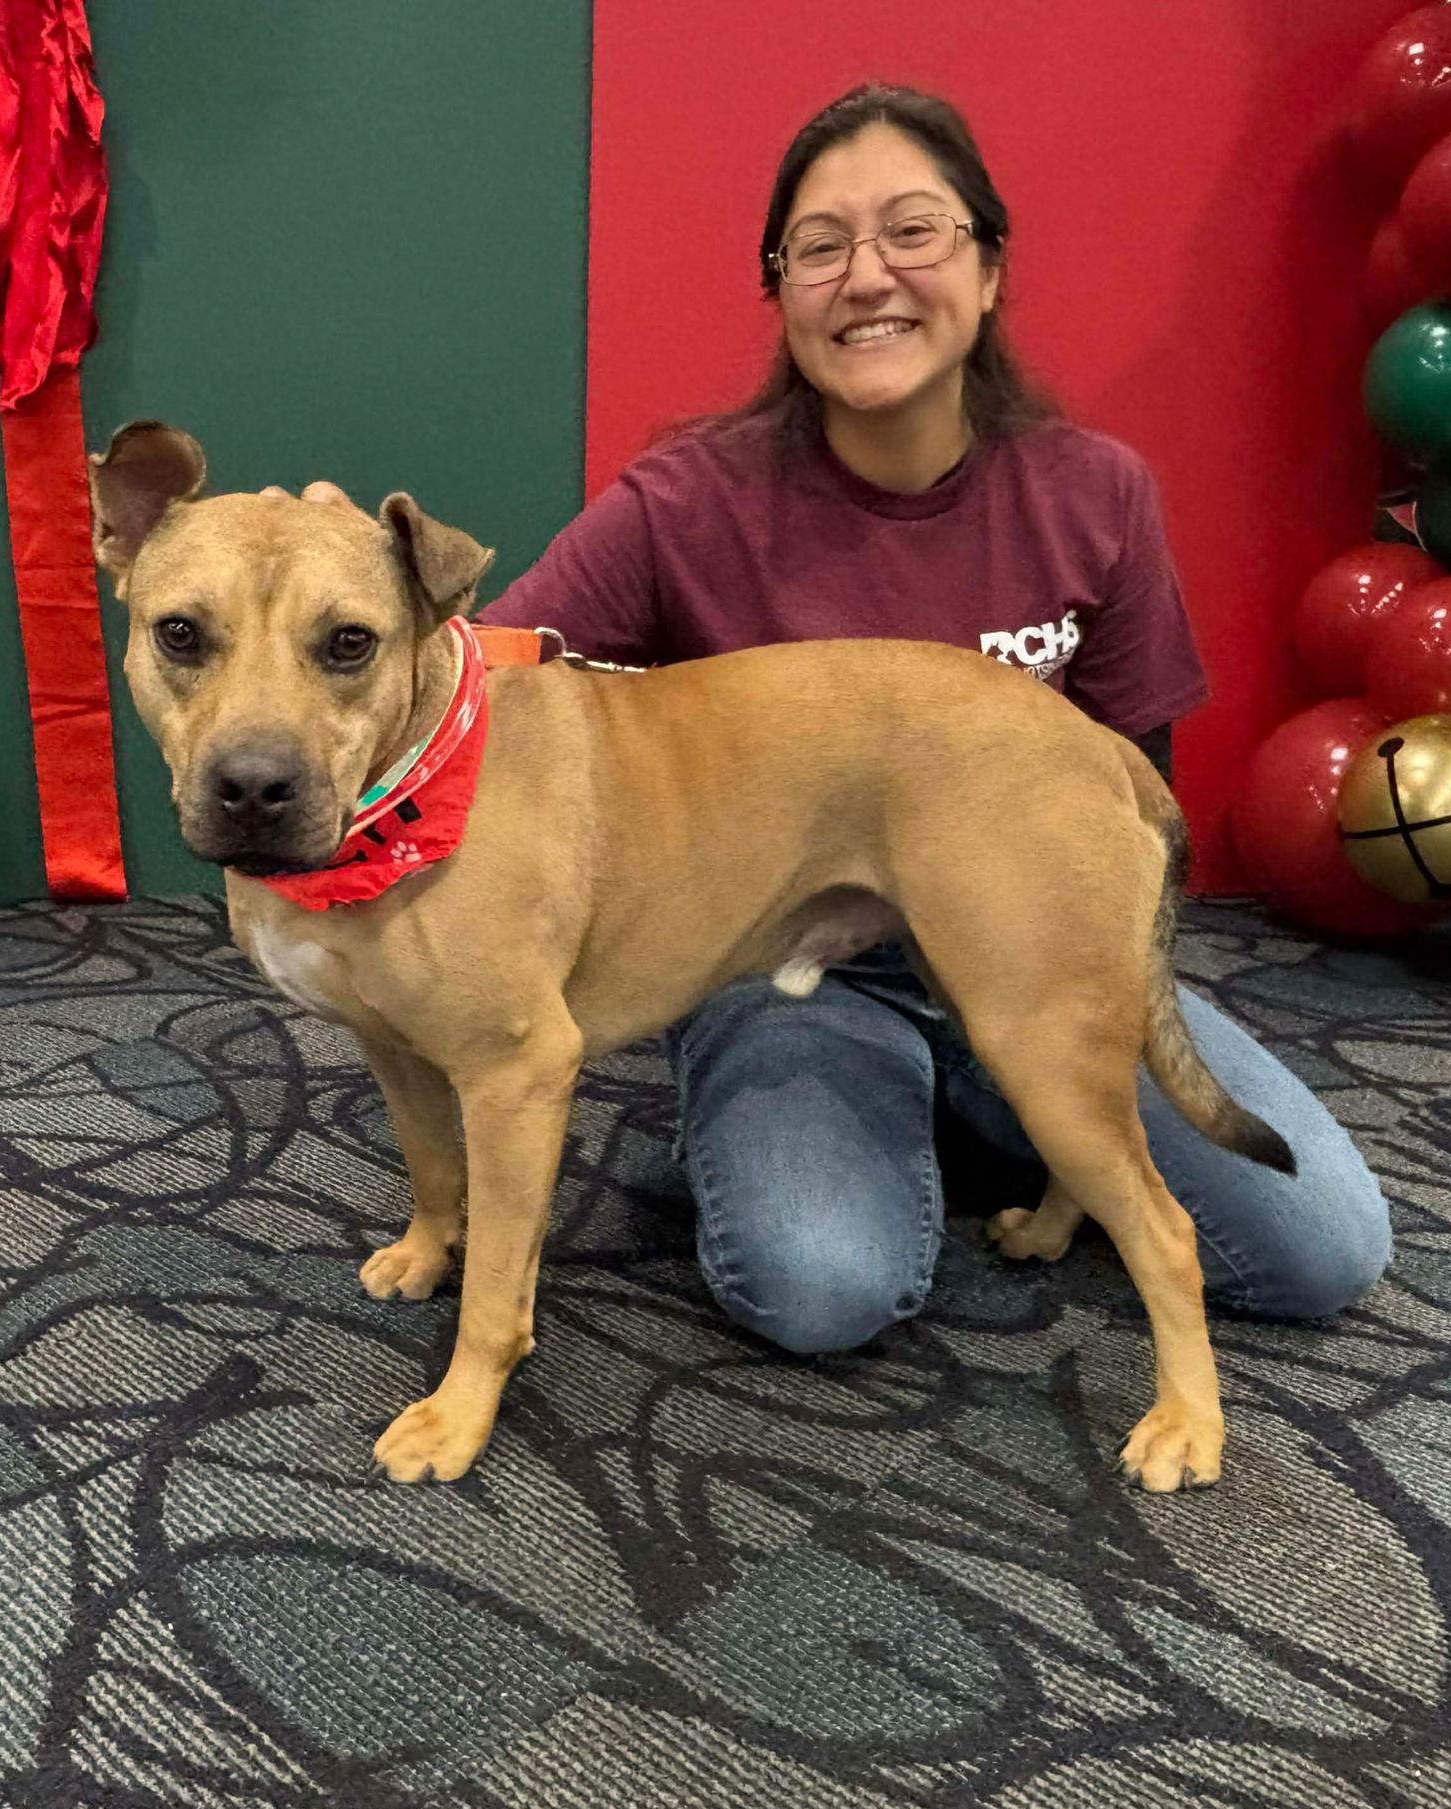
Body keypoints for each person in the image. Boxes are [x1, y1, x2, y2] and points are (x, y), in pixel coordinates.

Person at [477, 82, 1392, 1354]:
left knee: (1326, 1250)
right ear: (780, 288)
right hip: (785, 967)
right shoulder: (687, 501)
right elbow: (487, 678)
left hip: (1025, 939)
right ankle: (921, 1111)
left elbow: (1138, 790)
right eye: (818, 247)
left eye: (915, 231)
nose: (868, 278)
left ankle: (1022, 1112)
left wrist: (1100, 999)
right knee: (817, 1283)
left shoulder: (1095, 494)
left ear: (989, 265)